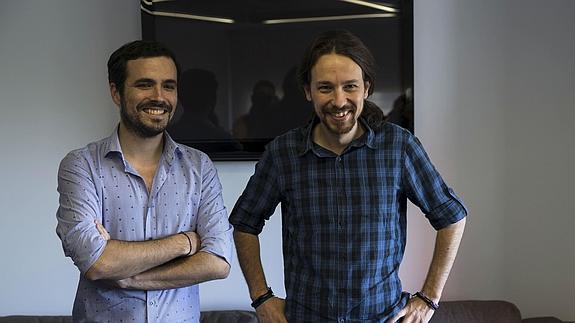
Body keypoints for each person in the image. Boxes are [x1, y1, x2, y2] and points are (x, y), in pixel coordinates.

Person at [229, 30, 467, 323]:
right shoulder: (283, 153)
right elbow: (244, 223)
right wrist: (261, 297)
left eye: (350, 86)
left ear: (366, 88)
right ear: (308, 91)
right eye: (326, 88)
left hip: (382, 317)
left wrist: (429, 298)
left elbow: (452, 216)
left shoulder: (398, 146)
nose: (339, 100)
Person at [56, 40, 233, 322]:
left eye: (169, 86)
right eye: (145, 84)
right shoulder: (81, 165)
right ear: (116, 91)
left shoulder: (199, 166)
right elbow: (98, 263)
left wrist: (128, 277)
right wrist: (185, 242)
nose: (159, 97)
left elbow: (218, 262)